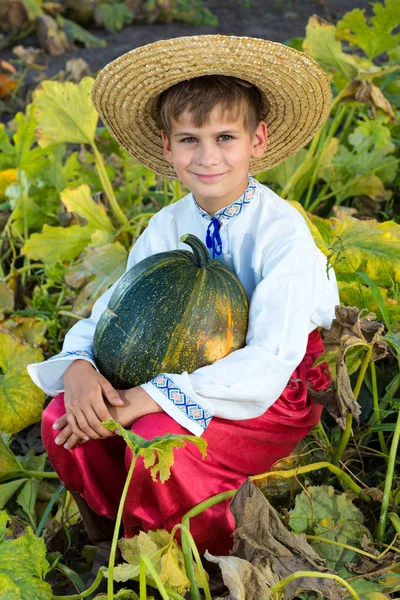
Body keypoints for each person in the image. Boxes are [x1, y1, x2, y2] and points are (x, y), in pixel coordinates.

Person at [28, 35, 339, 556]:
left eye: (224, 137)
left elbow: (268, 359)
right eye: (189, 139)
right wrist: (81, 367)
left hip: (270, 386)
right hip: (168, 366)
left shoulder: (282, 233)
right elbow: (117, 311)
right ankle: (122, 540)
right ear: (167, 146)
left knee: (158, 441)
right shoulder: (165, 226)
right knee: (63, 417)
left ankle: (201, 557)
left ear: (257, 141)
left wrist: (152, 397)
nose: (207, 156)